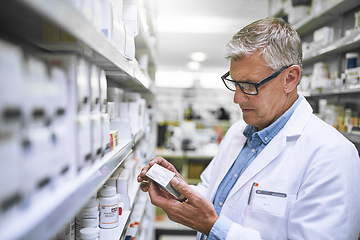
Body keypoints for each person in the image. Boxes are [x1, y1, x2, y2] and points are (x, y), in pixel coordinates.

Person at [137, 18, 360, 240]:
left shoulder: (333, 155)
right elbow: (215, 196)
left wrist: (215, 228)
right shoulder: (238, 131)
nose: (237, 98)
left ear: (290, 79)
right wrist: (179, 190)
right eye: (235, 83)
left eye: (249, 86)